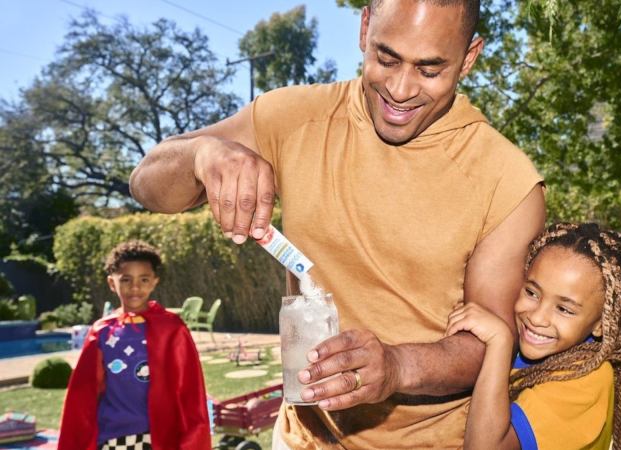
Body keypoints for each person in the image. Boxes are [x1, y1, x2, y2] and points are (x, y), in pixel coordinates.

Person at [129, 0, 546, 447]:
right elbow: (146, 185)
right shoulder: (293, 117)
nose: (401, 89)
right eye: (387, 58)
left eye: (430, 70)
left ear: (469, 57)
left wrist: (398, 366)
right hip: (300, 436)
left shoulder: (507, 182)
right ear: (365, 27)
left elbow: (490, 342)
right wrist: (202, 154)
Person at [446, 222, 621, 449]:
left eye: (564, 309)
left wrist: (499, 343)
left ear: (602, 325)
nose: (537, 318)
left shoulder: (586, 381)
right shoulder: (542, 350)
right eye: (532, 292)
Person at [58, 241, 210, 450]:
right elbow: (83, 395)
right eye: (126, 279)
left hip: (159, 437)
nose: (135, 287)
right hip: (113, 437)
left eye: (144, 279)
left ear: (154, 282)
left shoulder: (172, 329)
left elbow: (190, 391)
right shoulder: (102, 332)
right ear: (112, 283)